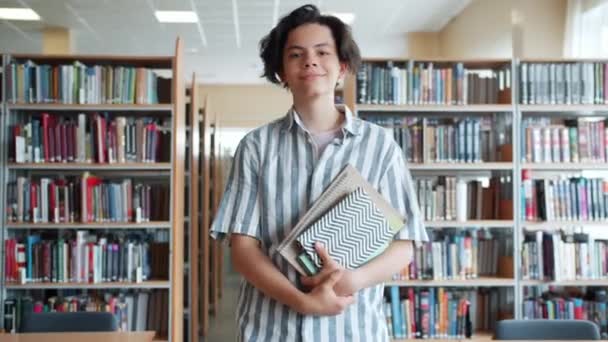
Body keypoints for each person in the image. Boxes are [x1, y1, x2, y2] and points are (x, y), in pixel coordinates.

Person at [210, 4, 427, 341]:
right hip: (271, 329)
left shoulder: (380, 146)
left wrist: (351, 280)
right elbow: (243, 250)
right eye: (296, 54)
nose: (310, 61)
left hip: (352, 330)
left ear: (341, 67)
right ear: (281, 71)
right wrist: (303, 302)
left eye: (322, 52)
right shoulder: (256, 146)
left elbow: (405, 244)